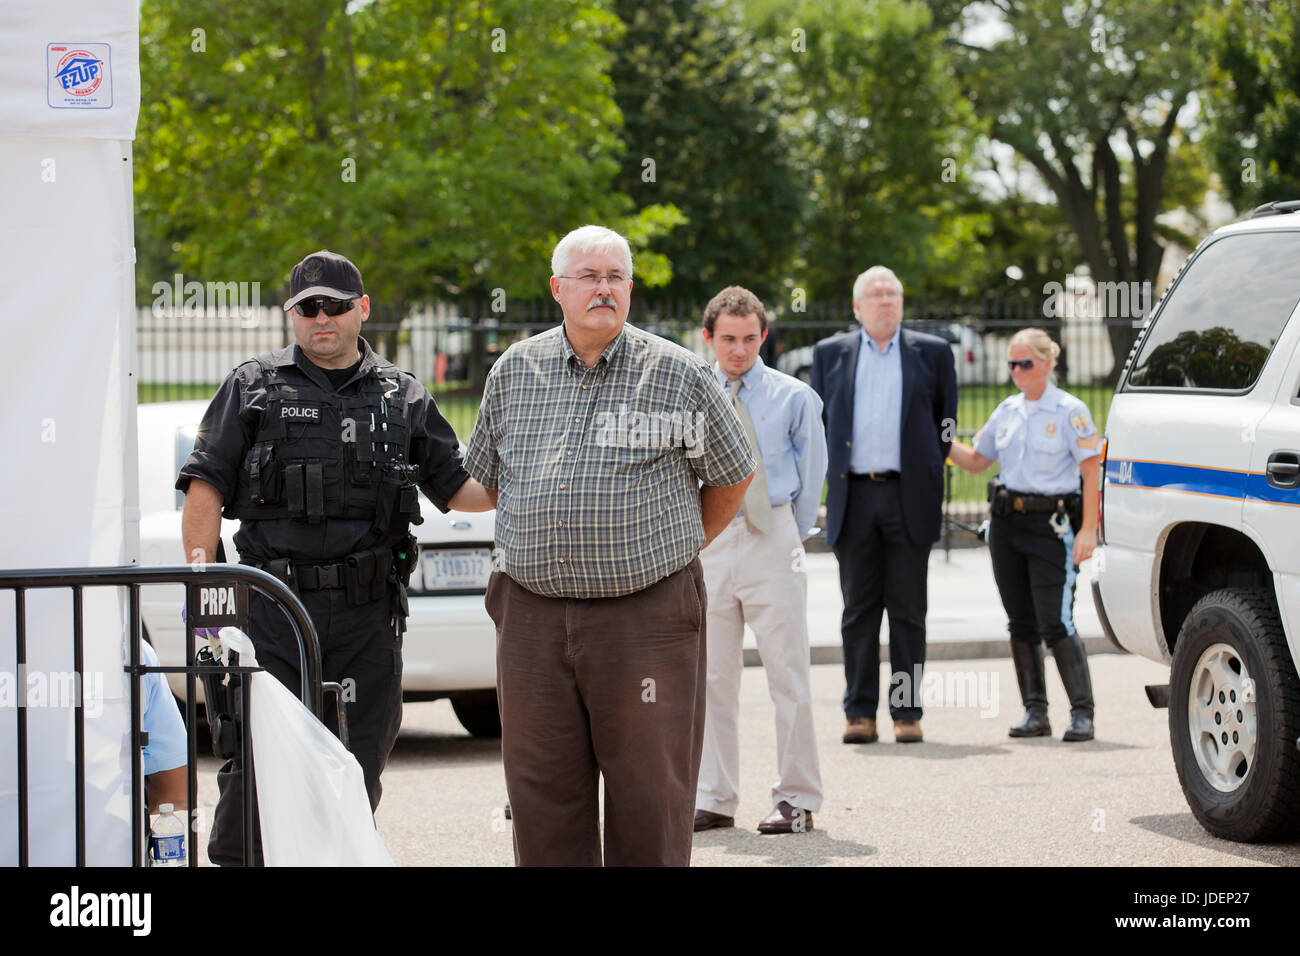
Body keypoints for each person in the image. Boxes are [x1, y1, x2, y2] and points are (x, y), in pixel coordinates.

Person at [176, 249, 495, 865]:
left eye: (336, 305)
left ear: (363, 309)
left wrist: (531, 471)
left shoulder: (402, 396)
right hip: (271, 609)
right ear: (292, 315)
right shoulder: (253, 386)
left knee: (358, 761)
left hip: (366, 613)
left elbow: (460, 489)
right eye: (307, 308)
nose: (322, 318)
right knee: (256, 758)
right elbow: (204, 488)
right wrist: (210, 592)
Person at [464, 225, 755, 866]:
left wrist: (676, 549)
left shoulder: (678, 373)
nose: (604, 288)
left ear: (630, 288)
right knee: (541, 793)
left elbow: (733, 475)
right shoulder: (515, 369)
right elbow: (481, 480)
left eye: (616, 277)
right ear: (557, 289)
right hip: (532, 616)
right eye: (590, 276)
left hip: (644, 618)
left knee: (650, 793)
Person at [693, 286, 827, 836]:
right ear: (709, 338)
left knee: (788, 673)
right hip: (712, 541)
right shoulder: (692, 394)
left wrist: (786, 530)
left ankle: (797, 797)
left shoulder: (795, 396)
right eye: (728, 339)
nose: (739, 350)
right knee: (711, 677)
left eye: (750, 339)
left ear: (763, 336)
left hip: (774, 535)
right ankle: (714, 796)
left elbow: (813, 472)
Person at [810, 266, 957, 746]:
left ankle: (907, 712)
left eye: (892, 293)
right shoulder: (830, 353)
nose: (885, 301)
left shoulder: (932, 353)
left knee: (909, 612)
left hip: (908, 494)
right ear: (857, 307)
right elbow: (819, 421)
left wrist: (929, 468)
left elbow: (947, 423)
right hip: (854, 497)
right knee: (858, 611)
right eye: (875, 295)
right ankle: (859, 713)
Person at [946, 328, 1099, 741]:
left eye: (1025, 363)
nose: (1016, 371)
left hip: (1052, 526)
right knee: (1020, 621)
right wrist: (939, 437)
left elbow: (1090, 472)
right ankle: (1036, 712)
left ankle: (1082, 713)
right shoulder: (1007, 411)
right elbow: (978, 460)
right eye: (1012, 363)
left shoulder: (1072, 411)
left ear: (1048, 363)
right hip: (1007, 526)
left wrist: (1089, 530)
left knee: (1056, 620)